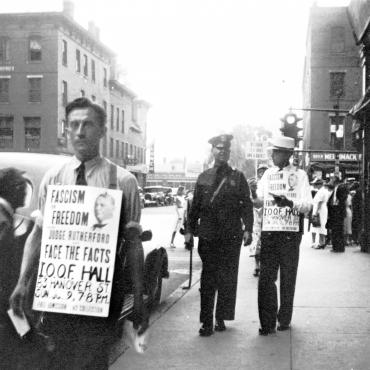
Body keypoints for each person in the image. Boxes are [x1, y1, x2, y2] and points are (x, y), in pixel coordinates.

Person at [9, 97, 148, 369]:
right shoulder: (55, 177)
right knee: (57, 359)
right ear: (66, 129)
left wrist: (140, 295)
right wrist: (22, 283)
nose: (80, 131)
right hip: (59, 293)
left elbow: (133, 245)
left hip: (101, 293)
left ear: (101, 131)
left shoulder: (122, 181)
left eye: (88, 124)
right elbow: (38, 235)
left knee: (92, 361)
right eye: (73, 124)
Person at [185, 134, 253, 337]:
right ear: (212, 151)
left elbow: (246, 204)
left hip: (231, 235)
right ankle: (206, 321)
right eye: (219, 148)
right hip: (208, 235)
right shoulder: (203, 177)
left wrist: (248, 228)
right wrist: (189, 231)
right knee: (208, 279)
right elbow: (194, 207)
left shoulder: (238, 177)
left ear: (229, 153)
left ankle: (220, 317)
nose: (222, 152)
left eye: (226, 150)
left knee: (227, 279)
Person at [256, 136, 312, 335]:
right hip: (270, 230)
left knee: (288, 277)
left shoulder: (301, 176)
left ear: (288, 154)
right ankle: (267, 322)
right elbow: (260, 200)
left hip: (290, 233)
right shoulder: (267, 175)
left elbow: (307, 205)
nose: (273, 155)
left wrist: (289, 203)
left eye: (277, 152)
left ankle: (284, 317)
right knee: (266, 278)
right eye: (273, 151)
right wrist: (255, 201)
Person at [0, 168, 29, 369]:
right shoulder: (2, 220)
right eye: (22, 187)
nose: (26, 192)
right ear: (14, 189)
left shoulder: (6, 216)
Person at [327, 175, 348, 253]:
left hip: (338, 211)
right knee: (335, 230)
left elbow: (342, 199)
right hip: (334, 211)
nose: (330, 181)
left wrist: (338, 207)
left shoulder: (341, 187)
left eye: (331, 179)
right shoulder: (335, 188)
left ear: (335, 180)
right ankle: (336, 246)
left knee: (338, 230)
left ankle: (339, 247)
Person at [311, 178, 331, 249]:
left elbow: (319, 202)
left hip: (320, 210)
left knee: (321, 226)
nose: (315, 186)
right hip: (322, 209)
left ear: (319, 185)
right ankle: (321, 242)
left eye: (316, 184)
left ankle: (321, 243)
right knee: (321, 226)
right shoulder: (323, 191)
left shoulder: (321, 191)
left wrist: (316, 212)